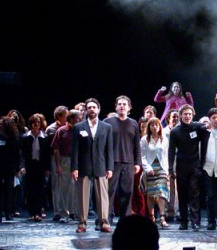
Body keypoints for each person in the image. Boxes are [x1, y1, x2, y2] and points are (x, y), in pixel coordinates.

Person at [71, 98, 114, 233]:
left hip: (101, 165)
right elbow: (75, 150)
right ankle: (82, 223)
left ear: (98, 109)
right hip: (84, 166)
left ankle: (104, 223)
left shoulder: (106, 127)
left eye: (94, 107)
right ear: (86, 110)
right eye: (89, 107)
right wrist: (74, 168)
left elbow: (109, 149)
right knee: (83, 197)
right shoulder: (78, 127)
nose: (92, 109)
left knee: (103, 196)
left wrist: (110, 167)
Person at [168, 104, 206, 231]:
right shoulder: (175, 131)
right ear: (180, 115)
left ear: (193, 115)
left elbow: (208, 125)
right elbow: (171, 151)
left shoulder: (197, 127)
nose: (187, 116)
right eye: (185, 114)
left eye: (190, 114)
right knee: (183, 195)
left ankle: (195, 222)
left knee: (194, 194)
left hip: (195, 165)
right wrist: (170, 169)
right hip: (181, 166)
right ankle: (183, 221)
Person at [104, 95, 141, 223]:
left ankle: (125, 219)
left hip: (128, 162)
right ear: (116, 106)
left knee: (127, 192)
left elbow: (137, 145)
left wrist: (137, 163)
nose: (122, 106)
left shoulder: (134, 123)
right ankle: (105, 218)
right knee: (109, 191)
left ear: (129, 108)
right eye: (119, 104)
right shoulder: (108, 122)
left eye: (124, 104)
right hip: (112, 162)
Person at [51, 109, 82, 223]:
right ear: (71, 119)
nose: (80, 120)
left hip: (78, 161)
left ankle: (76, 213)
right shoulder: (61, 131)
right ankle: (64, 214)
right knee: (64, 188)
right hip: (65, 160)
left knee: (77, 188)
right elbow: (56, 149)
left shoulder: (82, 130)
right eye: (78, 118)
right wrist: (58, 165)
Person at [21, 114, 51, 222]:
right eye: (34, 123)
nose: (36, 125)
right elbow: (23, 154)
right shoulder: (25, 137)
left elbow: (47, 154)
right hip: (29, 165)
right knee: (30, 190)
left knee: (40, 189)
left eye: (38, 123)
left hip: (40, 165)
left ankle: (38, 212)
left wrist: (47, 168)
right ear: (30, 124)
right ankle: (31, 212)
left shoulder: (45, 137)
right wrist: (22, 166)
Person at [140, 118, 169, 228]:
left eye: (156, 125)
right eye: (152, 125)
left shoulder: (164, 139)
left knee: (161, 192)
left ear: (159, 126)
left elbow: (166, 156)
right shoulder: (144, 139)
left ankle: (162, 217)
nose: (154, 127)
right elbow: (142, 156)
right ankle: (152, 216)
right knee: (151, 193)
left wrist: (167, 171)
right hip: (150, 168)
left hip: (161, 168)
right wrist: (147, 168)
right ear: (149, 127)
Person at [0, 117, 21, 223]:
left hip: (9, 168)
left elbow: (17, 155)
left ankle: (8, 212)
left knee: (9, 190)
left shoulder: (14, 139)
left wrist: (17, 168)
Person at [46, 105, 68, 222]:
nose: (67, 117)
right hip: (55, 158)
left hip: (66, 158)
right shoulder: (52, 129)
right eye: (65, 115)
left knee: (67, 185)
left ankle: (67, 210)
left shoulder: (68, 127)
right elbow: (52, 148)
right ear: (59, 116)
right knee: (56, 185)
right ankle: (57, 211)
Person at [162, 109, 180, 221]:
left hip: (179, 161)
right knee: (167, 188)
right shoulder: (163, 132)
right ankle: (168, 212)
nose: (175, 119)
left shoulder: (180, 130)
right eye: (173, 116)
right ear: (168, 118)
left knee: (177, 189)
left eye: (177, 116)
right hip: (166, 161)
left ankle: (177, 212)